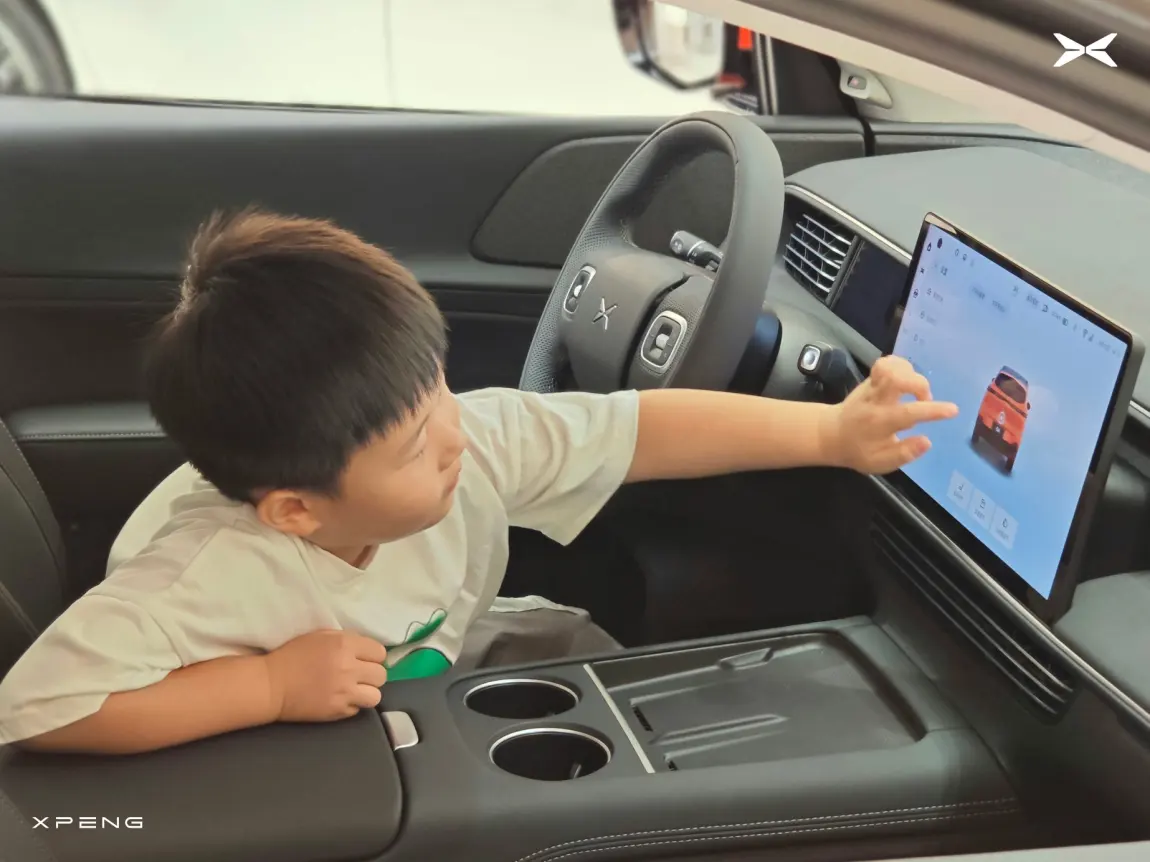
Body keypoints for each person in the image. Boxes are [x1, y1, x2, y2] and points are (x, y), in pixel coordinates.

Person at [0, 208, 958, 755]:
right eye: (417, 443)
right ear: (296, 509)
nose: (458, 438)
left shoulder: (464, 436)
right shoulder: (208, 578)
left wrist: (831, 431)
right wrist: (265, 686)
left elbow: (640, 430)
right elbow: (37, 709)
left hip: (432, 655)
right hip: (303, 739)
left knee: (582, 645)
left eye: (442, 393)